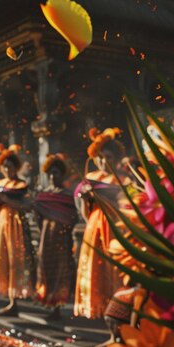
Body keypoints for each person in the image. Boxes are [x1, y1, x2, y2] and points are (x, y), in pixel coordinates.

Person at [73, 128, 128, 319]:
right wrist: (85, 198)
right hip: (94, 227)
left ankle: (117, 316)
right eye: (101, 158)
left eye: (109, 157)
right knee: (96, 270)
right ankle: (101, 312)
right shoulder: (92, 178)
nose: (104, 162)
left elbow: (127, 209)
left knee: (114, 272)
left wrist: (104, 199)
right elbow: (84, 212)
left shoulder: (124, 179)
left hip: (116, 230)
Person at [0, 145, 34, 315]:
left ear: (16, 167)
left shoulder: (21, 185)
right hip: (3, 223)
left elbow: (27, 207)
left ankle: (16, 297)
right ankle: (10, 298)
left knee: (17, 260)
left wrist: (5, 199)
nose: (7, 169)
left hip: (17, 224)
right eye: (4, 166)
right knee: (4, 259)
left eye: (10, 166)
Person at [32, 154, 78, 320]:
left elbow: (72, 218)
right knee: (46, 267)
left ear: (62, 174)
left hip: (62, 238)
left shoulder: (67, 195)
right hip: (46, 236)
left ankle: (57, 306)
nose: (53, 177)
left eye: (56, 173)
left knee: (61, 270)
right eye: (50, 173)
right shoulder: (43, 195)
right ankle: (48, 302)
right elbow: (38, 217)